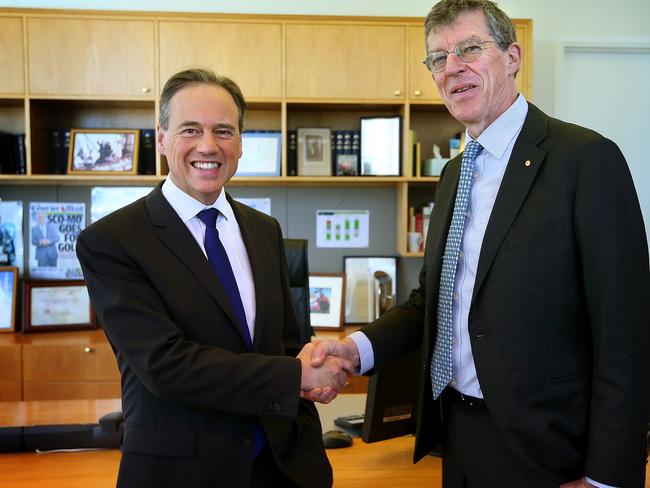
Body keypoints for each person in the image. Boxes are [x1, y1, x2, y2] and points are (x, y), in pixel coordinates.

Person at [307, 1, 650, 486]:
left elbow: (626, 331)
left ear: (512, 57)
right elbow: (434, 299)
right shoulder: (453, 174)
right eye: (438, 58)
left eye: (470, 49)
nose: (453, 68)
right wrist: (354, 351)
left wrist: (606, 477)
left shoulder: (586, 160)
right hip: (459, 434)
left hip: (550, 449)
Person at [77, 68, 351, 488]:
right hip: (182, 473)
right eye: (191, 129)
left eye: (223, 131)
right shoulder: (113, 240)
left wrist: (315, 372)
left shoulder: (265, 230)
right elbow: (164, 365)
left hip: (285, 469)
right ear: (162, 137)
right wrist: (296, 377)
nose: (208, 146)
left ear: (241, 142)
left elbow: (289, 343)